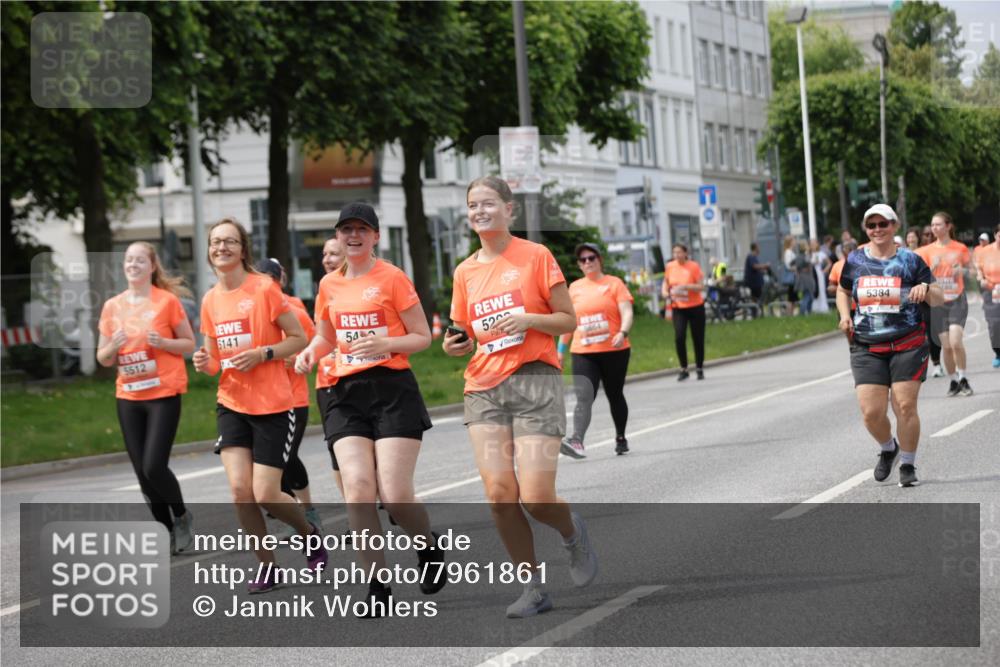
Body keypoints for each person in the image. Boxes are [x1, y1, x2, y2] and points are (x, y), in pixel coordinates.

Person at [444, 176, 597, 619]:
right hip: (484, 387)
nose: (479, 211)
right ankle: (531, 587)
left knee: (536, 496)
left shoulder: (535, 256)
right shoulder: (465, 271)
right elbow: (465, 333)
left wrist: (528, 318)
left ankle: (572, 534)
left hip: (535, 380)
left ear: (510, 209)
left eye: (488, 203)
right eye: (473, 205)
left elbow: (567, 320)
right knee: (498, 492)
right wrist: (455, 345)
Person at [295, 202, 444, 615]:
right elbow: (326, 336)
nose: (354, 236)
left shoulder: (392, 278)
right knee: (359, 491)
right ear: (338, 237)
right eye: (346, 229)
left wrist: (386, 344)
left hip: (392, 387)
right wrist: (310, 353)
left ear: (376, 235)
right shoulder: (329, 285)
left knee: (395, 496)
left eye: (362, 229)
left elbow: (421, 337)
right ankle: (377, 586)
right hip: (344, 393)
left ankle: (428, 547)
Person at [193, 217, 326, 593]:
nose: (222, 248)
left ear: (242, 249)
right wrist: (204, 363)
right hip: (232, 402)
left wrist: (264, 353)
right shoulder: (210, 299)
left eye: (230, 242)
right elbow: (213, 359)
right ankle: (268, 567)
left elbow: (299, 338)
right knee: (240, 492)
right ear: (209, 250)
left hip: (273, 405)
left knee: (266, 493)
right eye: (216, 242)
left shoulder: (264, 288)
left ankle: (308, 532)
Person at [97, 242, 196, 554]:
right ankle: (165, 530)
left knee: (154, 466)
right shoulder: (112, 307)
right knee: (142, 473)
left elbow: (189, 344)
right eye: (129, 260)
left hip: (163, 393)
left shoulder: (166, 302)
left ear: (152, 267)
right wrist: (112, 345)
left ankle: (181, 516)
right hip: (128, 395)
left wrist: (164, 342)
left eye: (140, 260)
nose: (133, 265)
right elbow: (103, 358)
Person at [837, 204, 943, 488]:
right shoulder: (856, 260)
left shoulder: (911, 260)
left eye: (883, 224)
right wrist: (845, 315)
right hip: (867, 345)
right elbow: (843, 290)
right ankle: (888, 448)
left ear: (894, 226)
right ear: (866, 230)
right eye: (871, 226)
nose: (877, 230)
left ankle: (907, 464)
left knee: (905, 405)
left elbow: (939, 297)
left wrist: (925, 290)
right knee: (871, 412)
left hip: (908, 342)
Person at [255, 258, 321, 534]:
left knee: (288, 456)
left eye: (268, 280)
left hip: (294, 398)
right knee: (270, 465)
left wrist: (293, 358)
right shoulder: (251, 311)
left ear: (278, 281)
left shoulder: (295, 309)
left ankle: (308, 510)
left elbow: (316, 348)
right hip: (262, 400)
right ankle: (291, 511)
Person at [557, 243, 634, 459]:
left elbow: (626, 312)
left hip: (614, 349)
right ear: (579, 265)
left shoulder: (614, 284)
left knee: (614, 394)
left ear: (599, 259)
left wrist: (623, 332)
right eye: (583, 260)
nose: (587, 262)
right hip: (583, 351)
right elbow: (568, 322)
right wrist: (560, 350)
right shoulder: (574, 288)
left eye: (591, 258)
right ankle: (577, 440)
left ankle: (620, 437)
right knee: (584, 396)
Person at [916, 212, 973, 396]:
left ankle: (963, 377)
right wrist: (931, 268)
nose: (934, 228)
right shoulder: (926, 251)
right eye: (932, 225)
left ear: (948, 226)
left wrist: (961, 270)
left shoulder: (960, 248)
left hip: (957, 299)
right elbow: (919, 276)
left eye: (938, 224)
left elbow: (972, 273)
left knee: (956, 341)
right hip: (937, 302)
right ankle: (953, 381)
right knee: (946, 346)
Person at [315, 237, 347, 497]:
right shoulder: (323, 290)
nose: (327, 259)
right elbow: (320, 337)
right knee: (336, 447)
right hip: (326, 383)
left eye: (334, 254)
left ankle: (392, 495)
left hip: (360, 378)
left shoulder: (368, 285)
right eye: (325, 254)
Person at [662, 243, 707, 379]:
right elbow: (666, 282)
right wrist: (664, 292)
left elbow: (701, 286)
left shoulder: (693, 266)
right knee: (679, 337)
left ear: (685, 253)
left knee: (697, 338)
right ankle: (684, 368)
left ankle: (699, 367)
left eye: (679, 252)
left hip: (695, 307)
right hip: (678, 307)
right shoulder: (670, 266)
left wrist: (687, 286)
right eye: (674, 252)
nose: (677, 255)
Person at [919, 224, 944, 377]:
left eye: (930, 234)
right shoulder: (918, 253)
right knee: (926, 331)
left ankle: (937, 361)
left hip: (939, 294)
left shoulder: (941, 250)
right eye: (925, 234)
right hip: (922, 295)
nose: (928, 237)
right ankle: (935, 363)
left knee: (936, 331)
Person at [974, 224, 1000, 368]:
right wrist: (981, 279)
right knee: (994, 324)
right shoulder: (985, 252)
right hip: (991, 291)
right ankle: (998, 352)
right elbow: (979, 269)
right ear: (995, 236)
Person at [743, 243, 769, 307]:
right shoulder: (751, 256)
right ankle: (755, 310)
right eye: (758, 247)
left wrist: (762, 271)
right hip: (753, 282)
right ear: (755, 248)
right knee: (756, 297)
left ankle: (757, 310)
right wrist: (765, 265)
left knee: (757, 297)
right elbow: (754, 266)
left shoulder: (754, 257)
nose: (759, 249)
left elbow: (756, 268)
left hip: (756, 282)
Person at [795, 240, 817, 315]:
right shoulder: (805, 256)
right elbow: (808, 266)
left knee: (807, 296)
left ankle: (807, 313)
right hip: (807, 278)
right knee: (808, 296)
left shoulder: (798, 257)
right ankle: (803, 313)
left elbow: (794, 265)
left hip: (801, 278)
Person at [810, 238, 831, 313]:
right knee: (814, 289)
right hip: (811, 273)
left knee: (821, 289)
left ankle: (822, 307)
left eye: (814, 244)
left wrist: (824, 271)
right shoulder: (809, 254)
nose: (812, 245)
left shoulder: (821, 254)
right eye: (811, 244)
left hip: (819, 273)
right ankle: (814, 307)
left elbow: (829, 263)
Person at [782, 235, 799, 315]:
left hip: (793, 277)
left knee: (793, 297)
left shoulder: (790, 252)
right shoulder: (788, 252)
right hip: (792, 277)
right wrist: (797, 268)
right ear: (790, 242)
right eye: (794, 241)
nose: (795, 242)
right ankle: (789, 313)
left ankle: (790, 313)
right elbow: (789, 266)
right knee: (791, 297)